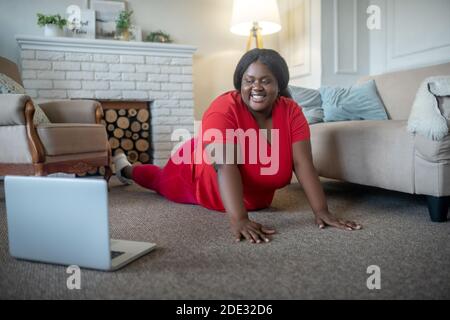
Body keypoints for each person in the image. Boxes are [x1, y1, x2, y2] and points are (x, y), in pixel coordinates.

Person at [113, 48, 362, 244]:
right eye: (249, 80)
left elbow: (303, 162)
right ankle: (125, 168)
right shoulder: (224, 108)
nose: (256, 87)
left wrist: (322, 210)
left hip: (251, 191)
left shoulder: (291, 111)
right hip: (195, 173)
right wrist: (239, 219)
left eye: (266, 80)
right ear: (239, 83)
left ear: (279, 85)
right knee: (159, 180)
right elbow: (225, 164)